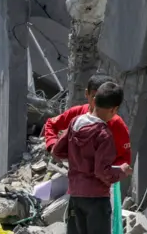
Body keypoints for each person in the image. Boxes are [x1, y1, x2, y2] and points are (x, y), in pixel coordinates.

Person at [51, 82, 133, 234]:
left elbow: (57, 151)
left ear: (94, 100)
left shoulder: (75, 122)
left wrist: (76, 158)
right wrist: (122, 171)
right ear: (114, 109)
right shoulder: (104, 134)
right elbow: (102, 172)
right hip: (96, 198)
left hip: (76, 194)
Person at [43, 74, 131, 166]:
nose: (97, 102)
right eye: (94, 97)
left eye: (102, 99)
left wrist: (109, 171)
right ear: (86, 94)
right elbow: (51, 124)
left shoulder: (117, 124)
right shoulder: (77, 112)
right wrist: (52, 145)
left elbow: (124, 157)